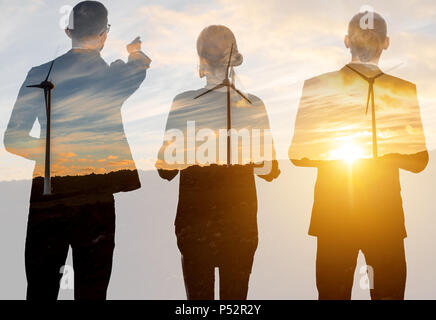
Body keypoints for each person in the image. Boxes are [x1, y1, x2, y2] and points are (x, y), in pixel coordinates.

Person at [4, 1, 151, 300]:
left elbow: (13, 138)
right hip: (96, 197)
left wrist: (53, 153)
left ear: (68, 31)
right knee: (92, 292)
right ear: (104, 34)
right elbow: (138, 67)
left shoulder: (39, 73)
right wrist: (134, 52)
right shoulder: (113, 78)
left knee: (41, 290)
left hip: (48, 194)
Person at [289, 11, 428, 300]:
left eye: (370, 37)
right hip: (369, 221)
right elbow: (297, 153)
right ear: (386, 43)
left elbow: (419, 160)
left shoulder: (319, 86)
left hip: (351, 220)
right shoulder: (401, 90)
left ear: (346, 41)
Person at [156, 25, 280, 300]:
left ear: (200, 59)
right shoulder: (252, 104)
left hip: (194, 226)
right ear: (234, 59)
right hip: (240, 226)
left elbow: (165, 171)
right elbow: (270, 170)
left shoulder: (183, 103)